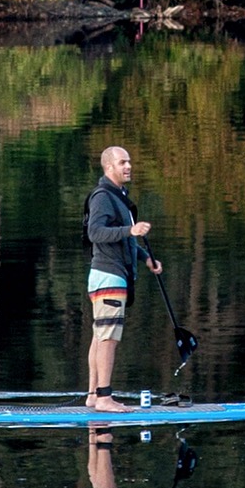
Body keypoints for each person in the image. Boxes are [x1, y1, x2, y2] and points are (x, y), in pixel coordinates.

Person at [84, 144, 162, 407]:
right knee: (108, 338)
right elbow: (95, 233)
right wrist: (130, 231)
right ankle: (104, 397)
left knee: (100, 336)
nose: (129, 166)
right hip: (108, 276)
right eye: (122, 162)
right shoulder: (103, 196)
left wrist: (146, 258)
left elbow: (123, 240)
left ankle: (94, 396)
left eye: (129, 161)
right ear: (109, 167)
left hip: (107, 276)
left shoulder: (119, 196)